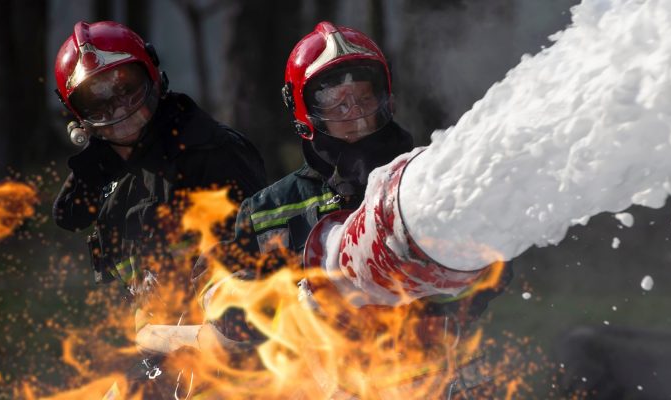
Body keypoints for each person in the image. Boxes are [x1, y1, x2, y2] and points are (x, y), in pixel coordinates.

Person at [197, 21, 509, 397]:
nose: (357, 114)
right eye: (337, 104)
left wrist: (429, 277)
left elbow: (493, 272)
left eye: (364, 98)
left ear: (386, 100)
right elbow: (217, 291)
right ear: (304, 112)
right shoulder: (268, 210)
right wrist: (252, 301)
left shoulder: (422, 184)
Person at [52, 20, 266, 318]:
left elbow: (256, 265)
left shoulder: (212, 153)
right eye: (95, 100)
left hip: (218, 341)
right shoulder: (109, 167)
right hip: (155, 340)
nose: (118, 109)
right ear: (78, 114)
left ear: (152, 75)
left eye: (125, 87)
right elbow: (70, 216)